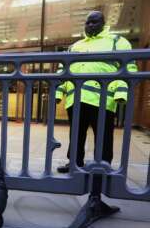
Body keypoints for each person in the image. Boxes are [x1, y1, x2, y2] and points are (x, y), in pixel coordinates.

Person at [56, 11, 137, 173]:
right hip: (76, 98)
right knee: (76, 134)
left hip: (102, 99)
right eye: (88, 23)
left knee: (104, 135)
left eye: (95, 22)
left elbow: (129, 68)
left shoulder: (117, 41)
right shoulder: (75, 46)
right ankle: (74, 163)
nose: (90, 25)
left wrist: (121, 93)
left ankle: (103, 166)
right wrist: (58, 93)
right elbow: (63, 70)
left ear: (104, 23)